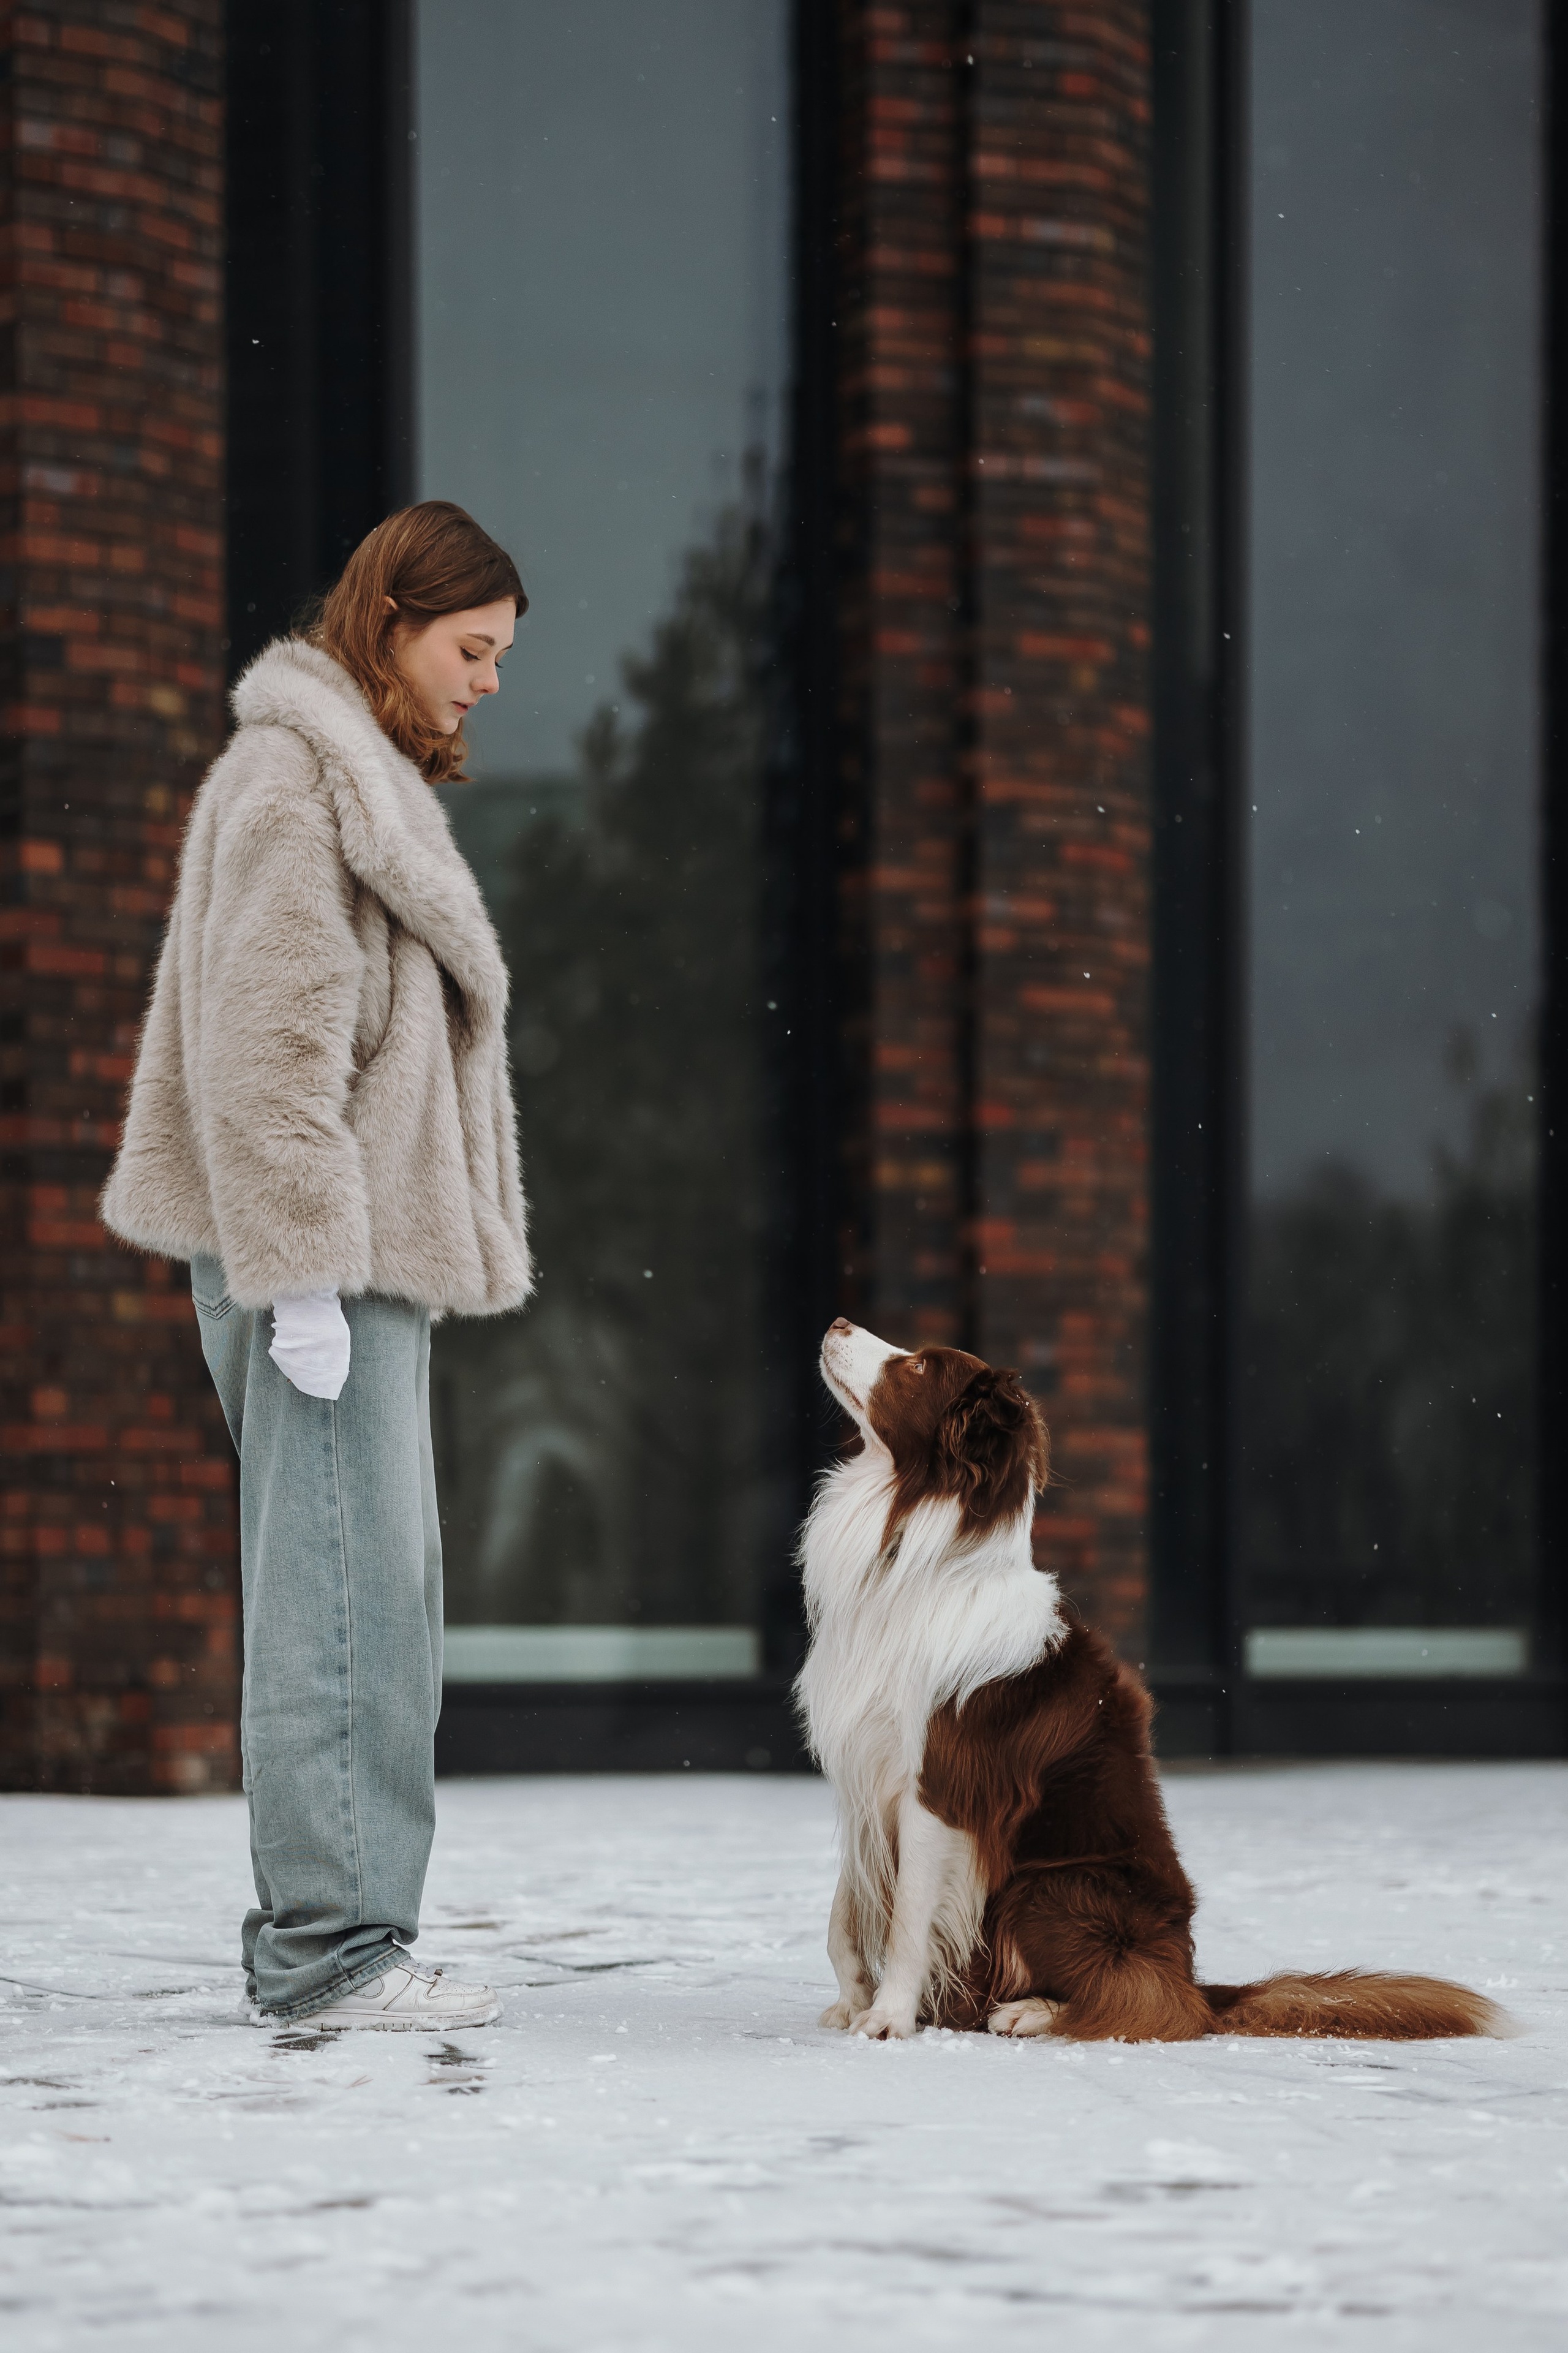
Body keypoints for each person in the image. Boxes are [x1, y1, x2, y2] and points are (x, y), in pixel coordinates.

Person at [101, 502, 533, 2030]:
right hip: (315, 1260)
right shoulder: (296, 782)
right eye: (470, 649)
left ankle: (346, 1937)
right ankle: (330, 1955)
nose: (486, 682)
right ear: (395, 616)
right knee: (340, 1605)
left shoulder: (351, 782)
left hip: (351, 1260)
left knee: (378, 1600)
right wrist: (295, 1278)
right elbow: (266, 1047)